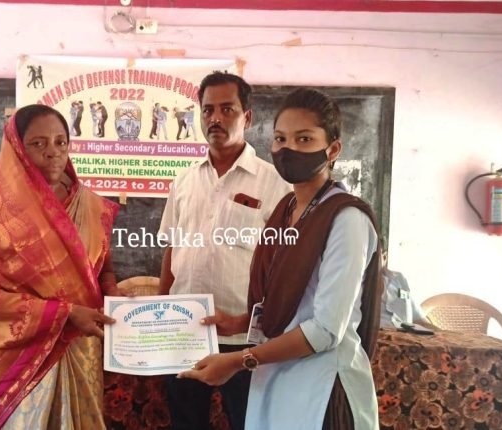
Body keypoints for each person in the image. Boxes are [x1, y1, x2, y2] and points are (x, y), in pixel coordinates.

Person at [179, 88, 382, 430]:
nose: (289, 149)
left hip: (323, 387)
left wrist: (240, 359)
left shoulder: (346, 219)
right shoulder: (286, 210)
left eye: (304, 139)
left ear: (333, 149)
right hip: (275, 376)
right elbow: (286, 301)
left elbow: (325, 330)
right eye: (280, 139)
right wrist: (243, 322)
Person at [0, 104, 122, 429]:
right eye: (38, 143)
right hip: (20, 361)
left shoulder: (88, 206)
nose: (53, 152)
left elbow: (102, 267)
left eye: (61, 142)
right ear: (17, 149)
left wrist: (113, 293)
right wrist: (64, 314)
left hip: (80, 348)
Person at [159, 72, 290, 430]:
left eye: (227, 109)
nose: (215, 118)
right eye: (208, 110)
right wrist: (159, 312)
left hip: (243, 337)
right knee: (186, 423)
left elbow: (284, 266)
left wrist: (254, 320)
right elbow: (171, 249)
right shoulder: (183, 181)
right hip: (183, 331)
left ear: (247, 117)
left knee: (249, 422)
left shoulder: (275, 183)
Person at [379, 239, 434, 329]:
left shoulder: (398, 279)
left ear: (384, 257)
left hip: (406, 335)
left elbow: (419, 321)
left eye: (373, 254)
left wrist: (445, 334)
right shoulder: (356, 287)